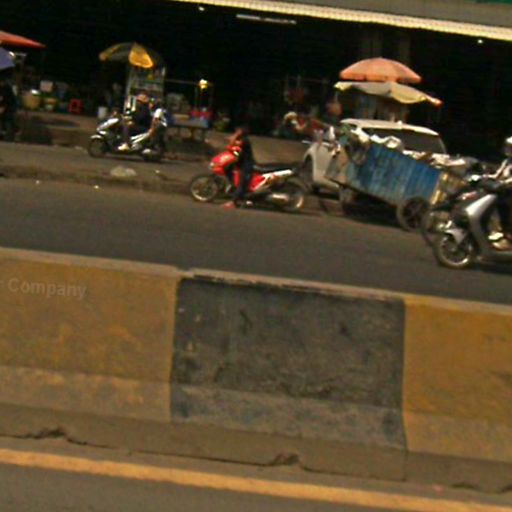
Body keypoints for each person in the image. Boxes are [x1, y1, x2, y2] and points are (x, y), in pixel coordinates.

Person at [222, 125, 254, 209]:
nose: (236, 131)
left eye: (238, 130)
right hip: (240, 163)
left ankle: (233, 202)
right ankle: (233, 188)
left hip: (246, 165)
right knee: (228, 169)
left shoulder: (245, 140)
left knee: (242, 184)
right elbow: (231, 141)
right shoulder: (241, 139)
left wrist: (235, 135)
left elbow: (233, 142)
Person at [490, 136, 512, 244]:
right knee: (498, 208)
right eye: (507, 146)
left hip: (510, 192)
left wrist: (507, 182)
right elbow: (497, 174)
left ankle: (508, 236)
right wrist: (487, 177)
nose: (507, 149)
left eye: (510, 147)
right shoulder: (506, 161)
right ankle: (502, 232)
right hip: (503, 191)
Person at [0, 78, 18, 142]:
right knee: (4, 119)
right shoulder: (3, 88)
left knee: (9, 119)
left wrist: (3, 107)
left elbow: (6, 99)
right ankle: (2, 134)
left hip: (10, 107)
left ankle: (16, 131)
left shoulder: (6, 88)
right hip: (7, 106)